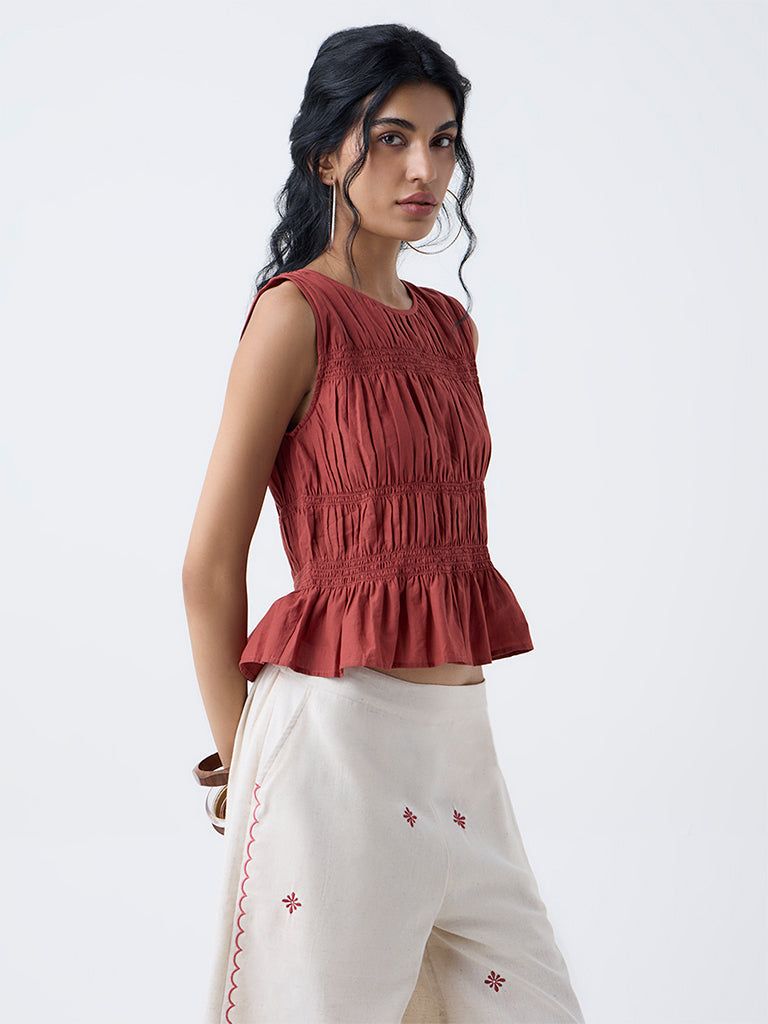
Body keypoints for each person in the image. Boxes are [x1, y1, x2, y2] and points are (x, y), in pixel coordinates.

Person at [182, 23, 586, 1024]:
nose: (424, 169)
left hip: (460, 752)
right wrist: (242, 769)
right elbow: (209, 567)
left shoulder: (450, 329)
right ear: (328, 156)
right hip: (332, 750)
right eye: (393, 137)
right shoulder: (294, 316)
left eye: (443, 141)